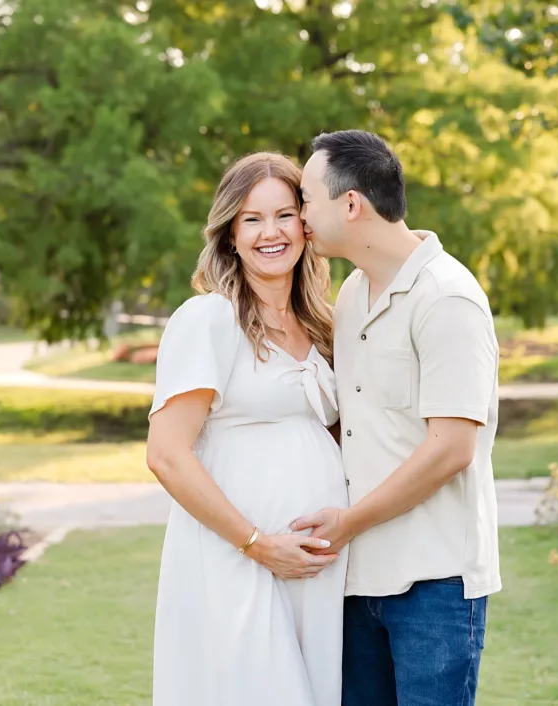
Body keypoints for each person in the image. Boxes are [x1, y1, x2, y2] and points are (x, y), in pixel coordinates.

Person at [293, 130, 501, 706]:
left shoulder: (447, 297)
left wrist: (350, 520)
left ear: (351, 204)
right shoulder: (354, 293)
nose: (299, 214)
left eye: (307, 199)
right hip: (357, 579)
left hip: (435, 583)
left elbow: (452, 447)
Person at [145, 152, 349, 706]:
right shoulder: (209, 319)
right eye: (252, 219)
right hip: (237, 558)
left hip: (317, 564)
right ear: (230, 233)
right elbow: (166, 455)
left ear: (306, 226)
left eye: (284, 215)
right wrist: (258, 545)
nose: (271, 232)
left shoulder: (323, 324)